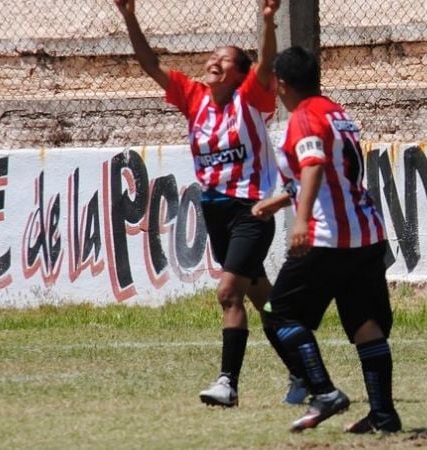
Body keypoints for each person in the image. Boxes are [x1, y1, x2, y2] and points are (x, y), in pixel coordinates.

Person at [114, 0, 308, 407]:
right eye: (213, 56)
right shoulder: (193, 97)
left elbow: (266, 61)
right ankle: (304, 370)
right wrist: (129, 17)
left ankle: (227, 384)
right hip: (215, 213)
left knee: (227, 293)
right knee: (264, 300)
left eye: (225, 59)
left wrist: (269, 23)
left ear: (240, 74)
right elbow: (151, 64)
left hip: (251, 211)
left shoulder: (251, 99)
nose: (214, 61)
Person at [252, 46, 402, 433]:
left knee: (278, 314)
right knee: (365, 323)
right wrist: (281, 201)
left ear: (282, 84)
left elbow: (315, 164)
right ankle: (384, 415)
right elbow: (333, 171)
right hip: (366, 234)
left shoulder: (303, 117)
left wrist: (299, 221)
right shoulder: (337, 113)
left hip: (327, 236)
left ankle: (323, 392)